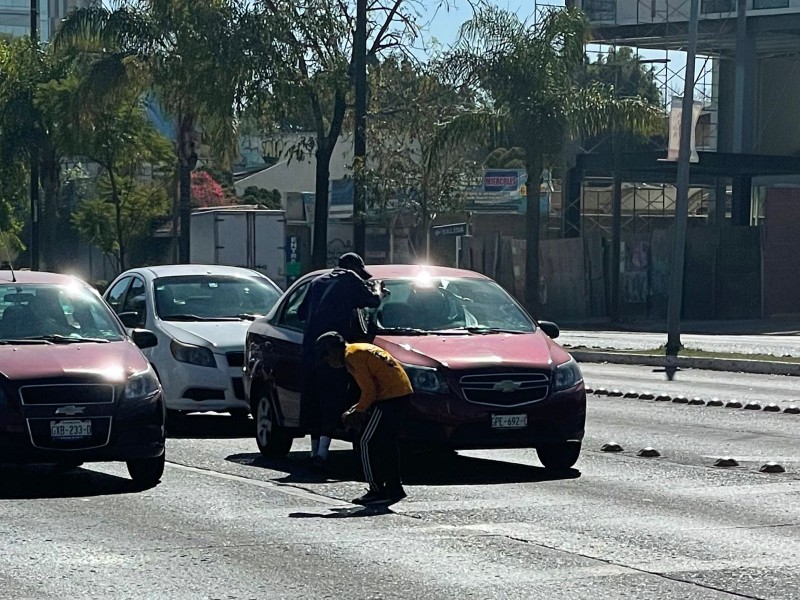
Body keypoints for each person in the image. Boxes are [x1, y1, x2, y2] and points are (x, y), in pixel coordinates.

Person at [297, 252, 382, 467]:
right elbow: (372, 301)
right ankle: (322, 455)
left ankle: (314, 452)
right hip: (334, 351)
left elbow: (300, 312)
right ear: (353, 267)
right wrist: (378, 289)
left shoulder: (316, 281)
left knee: (313, 401)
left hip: (309, 352)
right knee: (331, 400)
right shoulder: (350, 278)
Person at [315, 331, 413, 506]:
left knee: (365, 441)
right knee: (387, 443)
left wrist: (357, 411)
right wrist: (357, 408)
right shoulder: (359, 348)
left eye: (326, 356)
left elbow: (370, 391)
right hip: (401, 394)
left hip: (389, 398)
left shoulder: (351, 356)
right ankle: (394, 487)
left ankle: (377, 489)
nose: (327, 361)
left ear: (333, 350)